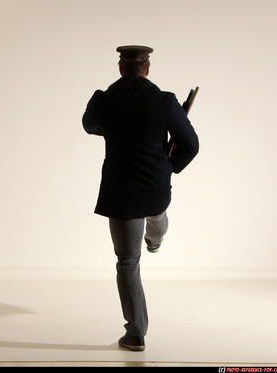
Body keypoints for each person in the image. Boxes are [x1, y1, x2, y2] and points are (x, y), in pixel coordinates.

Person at [82, 45, 199, 351]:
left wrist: (113, 128)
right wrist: (168, 169)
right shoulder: (165, 101)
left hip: (121, 191)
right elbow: (191, 145)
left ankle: (136, 334)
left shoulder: (103, 100)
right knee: (158, 218)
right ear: (147, 70)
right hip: (155, 186)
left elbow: (89, 126)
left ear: (121, 69)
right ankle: (156, 239)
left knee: (127, 261)